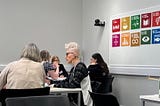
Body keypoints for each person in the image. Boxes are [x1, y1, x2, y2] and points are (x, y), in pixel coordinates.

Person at [53, 42, 92, 106]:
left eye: (67, 54)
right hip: (75, 100)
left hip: (82, 102)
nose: (65, 57)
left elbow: (72, 85)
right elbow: (67, 80)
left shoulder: (80, 67)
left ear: (74, 55)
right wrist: (53, 83)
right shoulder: (74, 68)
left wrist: (55, 85)